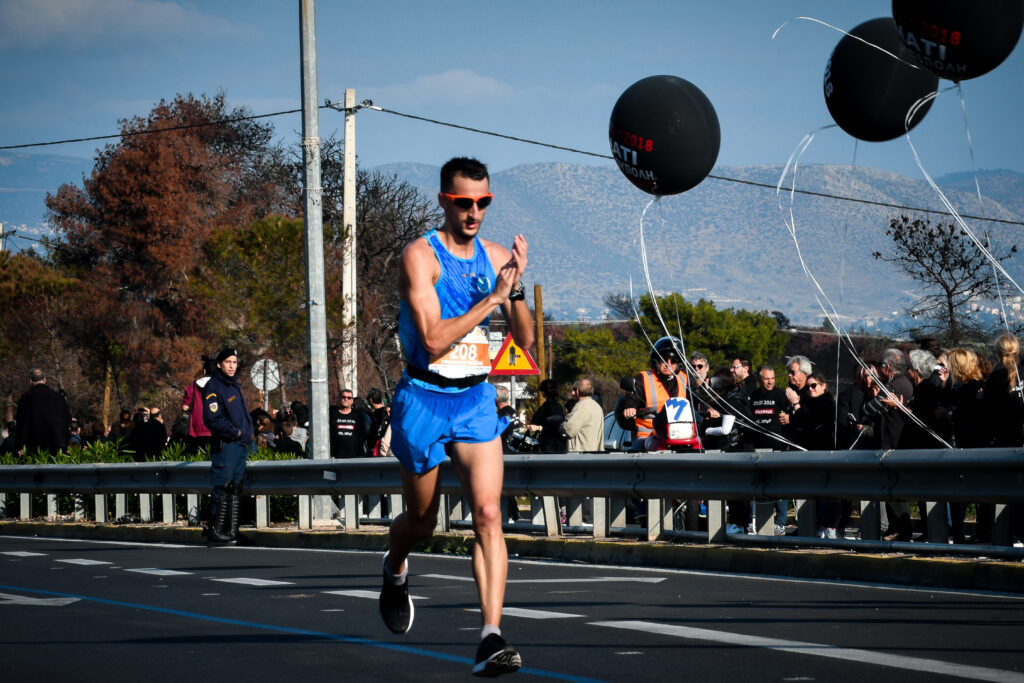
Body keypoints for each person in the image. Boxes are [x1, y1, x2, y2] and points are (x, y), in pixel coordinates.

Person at [378, 156, 532, 676]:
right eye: (464, 202)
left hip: (474, 400)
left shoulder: (495, 256)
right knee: (422, 522)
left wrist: (515, 290)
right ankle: (395, 567)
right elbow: (434, 338)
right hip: (422, 397)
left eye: (483, 202)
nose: (474, 212)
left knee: (489, 515)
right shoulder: (420, 257)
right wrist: (493, 297)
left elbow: (526, 342)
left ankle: (491, 636)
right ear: (444, 199)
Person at [202, 346, 255, 547]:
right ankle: (216, 531)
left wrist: (248, 432)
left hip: (240, 446)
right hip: (226, 446)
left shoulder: (234, 386)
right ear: (219, 364)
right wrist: (237, 433)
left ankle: (231, 531)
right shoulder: (214, 386)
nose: (232, 366)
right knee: (222, 487)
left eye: (234, 362)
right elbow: (212, 419)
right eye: (228, 362)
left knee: (235, 488)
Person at [862, 348, 915, 542]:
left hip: (892, 443)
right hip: (898, 442)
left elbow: (869, 409)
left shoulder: (892, 387)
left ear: (888, 367)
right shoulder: (905, 383)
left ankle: (900, 529)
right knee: (895, 489)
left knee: (894, 490)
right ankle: (899, 528)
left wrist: (872, 398)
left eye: (882, 365)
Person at [789, 372, 839, 538]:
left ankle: (826, 526)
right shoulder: (811, 402)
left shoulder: (825, 402)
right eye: (809, 386)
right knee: (815, 492)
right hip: (812, 451)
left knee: (824, 492)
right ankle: (814, 525)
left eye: (814, 385)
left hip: (823, 451)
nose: (810, 389)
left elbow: (808, 420)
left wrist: (796, 405)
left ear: (823, 385)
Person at [616, 336, 689, 449]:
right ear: (656, 361)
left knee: (700, 446)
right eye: (664, 360)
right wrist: (630, 407)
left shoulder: (685, 379)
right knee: (638, 449)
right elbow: (632, 397)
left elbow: (697, 398)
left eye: (673, 360)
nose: (668, 364)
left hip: (681, 434)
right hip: (649, 435)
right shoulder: (644, 378)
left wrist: (709, 409)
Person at [749, 364, 790, 535]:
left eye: (772, 378)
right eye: (767, 379)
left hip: (777, 447)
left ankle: (780, 522)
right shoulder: (753, 396)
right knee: (755, 486)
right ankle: (754, 520)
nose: (770, 382)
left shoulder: (780, 395)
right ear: (760, 380)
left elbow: (789, 417)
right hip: (758, 448)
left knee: (779, 485)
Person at [14, 368, 72, 456]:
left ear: (30, 381)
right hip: (57, 446)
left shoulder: (26, 398)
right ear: (44, 380)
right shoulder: (58, 397)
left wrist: (19, 446)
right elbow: (67, 420)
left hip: (35, 448)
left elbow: (22, 425)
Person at [561, 378, 604, 453]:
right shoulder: (597, 407)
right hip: (594, 455)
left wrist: (562, 425)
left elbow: (569, 430)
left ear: (577, 392)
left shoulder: (581, 407)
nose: (572, 393)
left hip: (580, 456)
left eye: (574, 390)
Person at [182, 357, 215, 455]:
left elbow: (185, 407)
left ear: (204, 371)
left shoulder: (193, 386)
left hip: (196, 428)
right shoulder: (220, 386)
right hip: (215, 427)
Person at [527, 379, 567, 453]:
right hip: (548, 444)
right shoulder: (550, 405)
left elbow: (555, 426)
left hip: (553, 446)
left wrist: (538, 427)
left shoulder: (553, 406)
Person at [329, 389, 369, 458]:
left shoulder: (358, 415)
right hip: (336, 456)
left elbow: (362, 433)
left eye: (349, 398)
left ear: (352, 400)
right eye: (343, 397)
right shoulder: (332, 414)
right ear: (340, 398)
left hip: (354, 455)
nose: (346, 399)